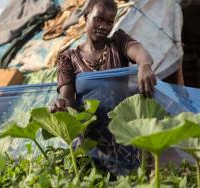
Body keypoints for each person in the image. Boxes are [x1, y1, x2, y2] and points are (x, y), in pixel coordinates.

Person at [52, 0, 157, 174]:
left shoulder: (118, 43)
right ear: (86, 17)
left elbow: (139, 51)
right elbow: (67, 98)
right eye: (98, 19)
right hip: (91, 142)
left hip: (125, 139)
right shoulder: (68, 59)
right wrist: (61, 105)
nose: (103, 26)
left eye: (109, 22)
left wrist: (144, 65)